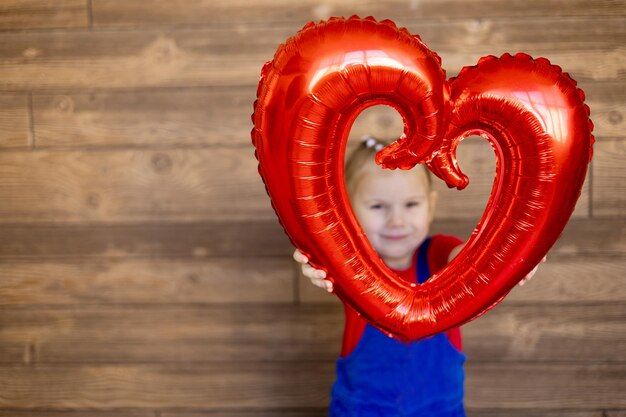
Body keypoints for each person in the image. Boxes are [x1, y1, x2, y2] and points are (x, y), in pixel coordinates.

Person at [293, 135, 542, 416]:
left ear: (431, 206)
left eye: (411, 205)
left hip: (440, 410)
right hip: (361, 409)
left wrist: (504, 259)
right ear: (348, 212)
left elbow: (469, 260)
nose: (396, 221)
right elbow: (325, 260)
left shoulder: (439, 252)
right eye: (378, 207)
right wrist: (317, 266)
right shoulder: (353, 263)